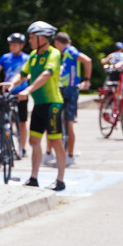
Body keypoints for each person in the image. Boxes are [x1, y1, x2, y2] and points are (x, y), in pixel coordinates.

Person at [3, 21, 66, 191]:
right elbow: (22, 75)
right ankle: (34, 177)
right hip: (38, 104)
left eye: (32, 37)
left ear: (41, 38)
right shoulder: (33, 55)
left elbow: (46, 74)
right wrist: (11, 84)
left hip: (52, 103)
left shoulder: (54, 54)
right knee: (34, 141)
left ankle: (60, 180)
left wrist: (29, 89)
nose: (29, 41)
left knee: (55, 141)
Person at [0, 32, 30, 156]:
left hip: (21, 93)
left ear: (22, 45)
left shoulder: (27, 58)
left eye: (15, 45)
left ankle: (22, 147)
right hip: (7, 93)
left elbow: (30, 74)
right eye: (11, 45)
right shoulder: (5, 57)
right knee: (4, 120)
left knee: (22, 122)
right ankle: (5, 145)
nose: (12, 47)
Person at [53, 32, 91, 166]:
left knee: (67, 121)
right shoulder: (64, 54)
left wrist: (86, 80)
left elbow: (87, 60)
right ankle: (67, 154)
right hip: (64, 87)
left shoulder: (70, 51)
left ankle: (69, 154)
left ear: (57, 43)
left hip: (70, 88)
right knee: (64, 120)